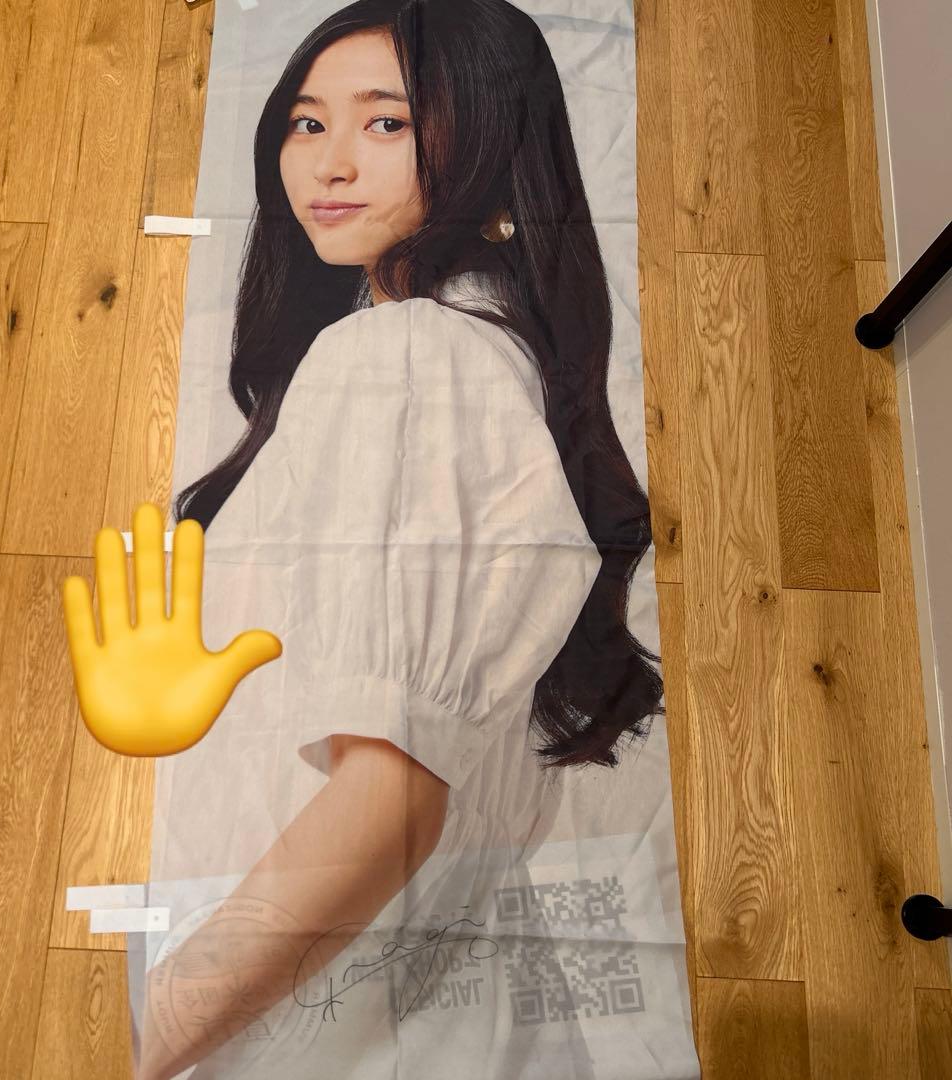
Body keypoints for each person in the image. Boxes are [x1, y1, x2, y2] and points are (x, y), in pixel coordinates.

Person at [135, 2, 663, 1077]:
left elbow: (388, 802)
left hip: (332, 1031)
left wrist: (149, 1036)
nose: (329, 163)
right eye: (307, 121)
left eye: (387, 123)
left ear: (489, 145)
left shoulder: (406, 357)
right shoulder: (485, 357)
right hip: (437, 1019)